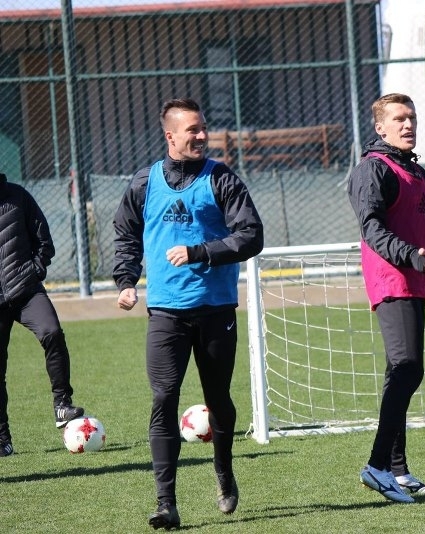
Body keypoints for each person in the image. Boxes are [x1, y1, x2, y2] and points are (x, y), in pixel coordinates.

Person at [113, 98, 264, 529]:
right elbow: (126, 233)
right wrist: (126, 280)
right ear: (170, 136)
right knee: (164, 398)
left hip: (215, 310)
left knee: (218, 399)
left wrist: (200, 252)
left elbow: (251, 235)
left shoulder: (222, 178)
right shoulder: (144, 182)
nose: (201, 136)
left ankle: (224, 471)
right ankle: (166, 503)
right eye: (192, 130)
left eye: (203, 128)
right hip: (166, 312)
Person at [347, 93, 425, 504]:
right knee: (408, 368)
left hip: (416, 280)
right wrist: (410, 256)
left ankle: (398, 471)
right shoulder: (372, 169)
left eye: (411, 117)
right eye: (399, 119)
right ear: (381, 128)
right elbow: (372, 229)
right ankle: (377, 466)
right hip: (390, 279)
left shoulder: (416, 171)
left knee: (401, 370)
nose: (408, 124)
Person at [0, 173, 86, 457]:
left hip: (26, 290)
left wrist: (35, 270)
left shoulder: (18, 196)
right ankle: (2, 439)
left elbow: (43, 240)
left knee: (52, 332)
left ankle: (62, 404)